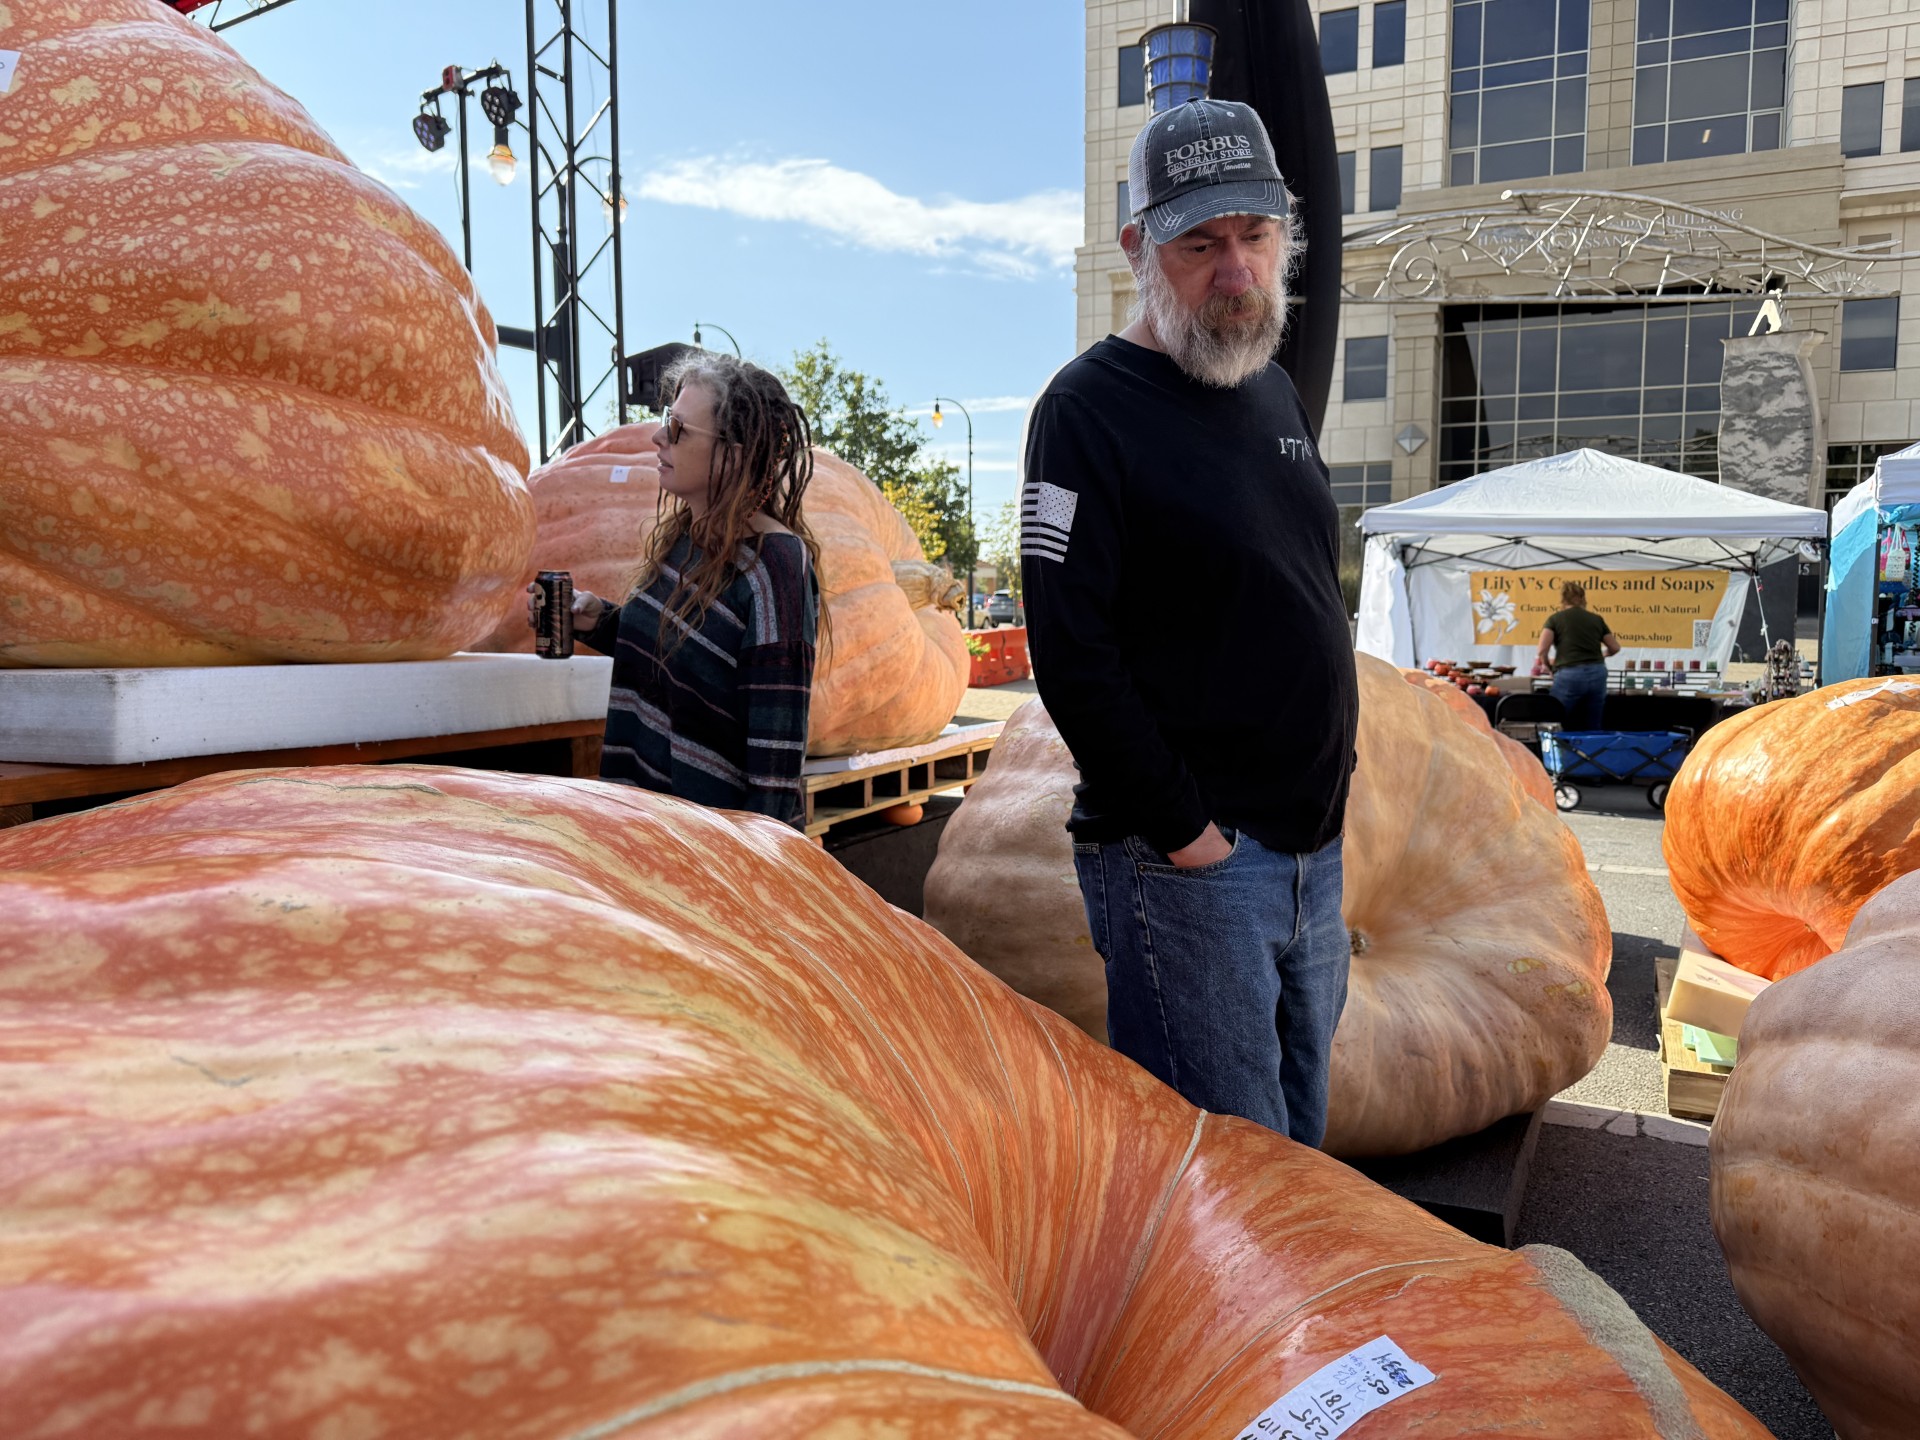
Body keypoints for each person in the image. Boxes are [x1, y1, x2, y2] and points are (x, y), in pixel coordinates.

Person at [1019, 98, 1359, 1148]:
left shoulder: (1274, 394)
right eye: (1200, 245)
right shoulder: (1083, 412)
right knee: (1223, 1175)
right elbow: (1071, 657)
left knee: (1300, 1154)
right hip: (1194, 868)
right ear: (1139, 251)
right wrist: (1190, 840)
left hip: (1313, 857)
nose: (1236, 271)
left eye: (1255, 235)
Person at [532, 354, 822, 829]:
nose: (658, 437)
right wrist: (600, 621)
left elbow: (776, 761)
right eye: (667, 419)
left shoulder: (776, 567)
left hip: (714, 845)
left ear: (733, 453)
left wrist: (756, 863)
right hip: (649, 828)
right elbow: (682, 657)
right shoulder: (686, 540)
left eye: (678, 428)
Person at [1535, 581, 1620, 731]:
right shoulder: (1596, 619)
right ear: (1582, 598)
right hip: (1597, 673)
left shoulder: (1555, 619)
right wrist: (1602, 655)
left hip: (1569, 674)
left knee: (1555, 719)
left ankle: (1556, 745)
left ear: (1563, 599)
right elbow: (1615, 647)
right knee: (1593, 723)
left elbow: (1542, 650)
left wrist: (1548, 667)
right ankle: (1593, 745)